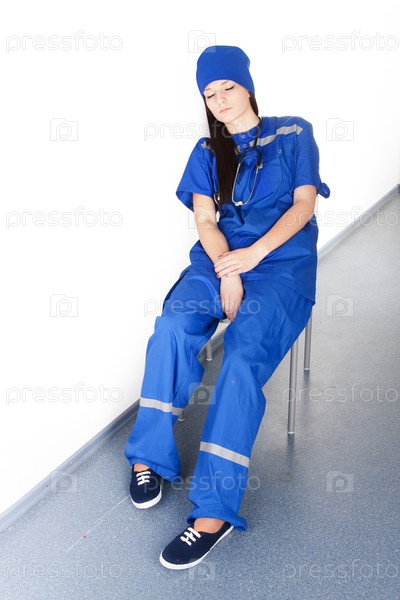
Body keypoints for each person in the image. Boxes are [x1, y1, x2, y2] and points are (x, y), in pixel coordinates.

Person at [124, 45, 330, 570]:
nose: (218, 100)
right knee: (172, 327)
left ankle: (213, 513)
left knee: (239, 360)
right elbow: (205, 221)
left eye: (227, 87)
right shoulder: (205, 151)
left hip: (280, 264)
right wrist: (228, 268)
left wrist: (251, 258)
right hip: (219, 261)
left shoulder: (294, 132)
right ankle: (149, 456)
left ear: (247, 86)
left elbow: (303, 206)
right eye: (209, 93)